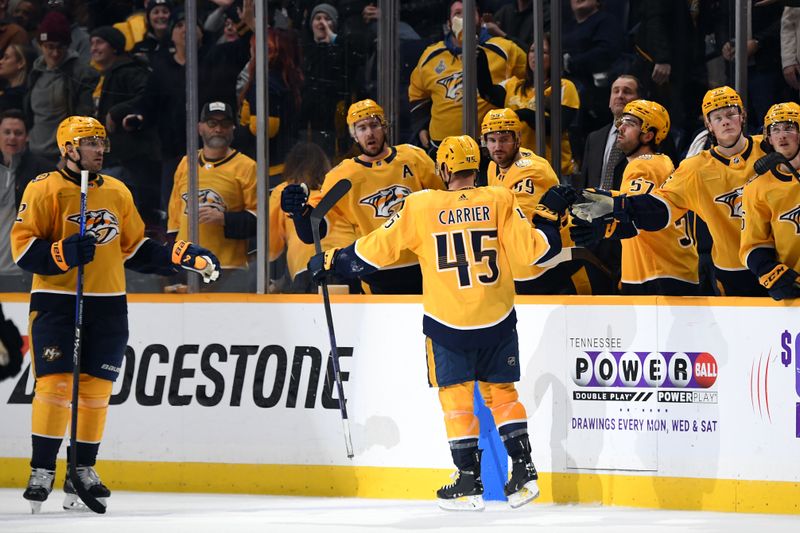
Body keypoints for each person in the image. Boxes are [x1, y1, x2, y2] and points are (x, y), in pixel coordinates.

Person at [307, 134, 575, 510]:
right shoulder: (499, 198)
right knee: (503, 395)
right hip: (497, 318)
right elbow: (536, 250)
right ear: (477, 166)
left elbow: (376, 251)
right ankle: (525, 471)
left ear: (444, 169)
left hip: (448, 322)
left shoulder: (421, 205)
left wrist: (331, 262)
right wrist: (548, 217)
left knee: (456, 401)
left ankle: (468, 479)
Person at [11, 115, 220, 513]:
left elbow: (135, 248)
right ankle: (42, 469)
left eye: (102, 144)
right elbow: (22, 250)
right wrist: (63, 253)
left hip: (108, 301)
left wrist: (180, 257)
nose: (100, 150)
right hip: (57, 300)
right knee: (55, 387)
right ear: (69, 149)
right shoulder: (44, 188)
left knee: (95, 392)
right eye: (91, 144)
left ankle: (84, 467)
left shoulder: (118, 191)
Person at [571, 86, 769, 297]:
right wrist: (615, 210)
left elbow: (644, 216)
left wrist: (609, 221)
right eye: (717, 117)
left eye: (731, 114)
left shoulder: (768, 148)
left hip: (660, 272)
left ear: (743, 116)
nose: (726, 121)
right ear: (708, 125)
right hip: (728, 269)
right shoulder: (692, 168)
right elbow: (658, 208)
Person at [281, 99, 442, 294]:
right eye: (362, 128)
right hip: (374, 274)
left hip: (423, 267)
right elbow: (313, 231)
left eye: (374, 125)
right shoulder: (342, 176)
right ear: (354, 135)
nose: (369, 133)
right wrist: (299, 212)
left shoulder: (414, 158)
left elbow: (444, 204)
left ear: (384, 127)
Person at [571, 100, 699, 295]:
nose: (620, 128)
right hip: (671, 271)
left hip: (657, 275)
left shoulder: (643, 165)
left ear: (648, 135)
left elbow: (634, 214)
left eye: (630, 123)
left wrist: (604, 228)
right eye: (621, 122)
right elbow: (632, 203)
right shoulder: (661, 163)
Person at [480, 107, 585, 294]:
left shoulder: (531, 172)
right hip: (525, 267)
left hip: (553, 268)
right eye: (492, 140)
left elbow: (523, 230)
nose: (497, 147)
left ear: (518, 139)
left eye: (504, 140)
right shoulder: (492, 166)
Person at [409, 0, 526, 155]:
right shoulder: (431, 55)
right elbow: (417, 93)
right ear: (449, 24)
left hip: (491, 150)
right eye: (457, 14)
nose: (464, 18)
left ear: (480, 19)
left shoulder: (505, 49)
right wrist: (421, 126)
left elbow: (533, 77)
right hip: (442, 150)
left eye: (469, 13)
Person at [168, 101, 257, 292]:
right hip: (187, 266)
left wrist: (224, 219)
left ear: (233, 128)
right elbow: (174, 222)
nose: (218, 129)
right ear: (200, 127)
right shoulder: (186, 163)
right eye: (211, 123)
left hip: (228, 269)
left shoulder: (247, 167)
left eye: (224, 124)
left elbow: (260, 221)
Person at [477, 32, 580, 177]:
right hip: (515, 169)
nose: (535, 55)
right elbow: (486, 92)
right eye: (532, 50)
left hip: (551, 171)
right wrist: (480, 59)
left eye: (542, 52)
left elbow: (556, 127)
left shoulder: (563, 87)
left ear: (554, 57)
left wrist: (523, 114)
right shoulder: (514, 85)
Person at [269, 142, 350, 293]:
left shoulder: (284, 192)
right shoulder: (336, 189)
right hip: (347, 260)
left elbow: (271, 246)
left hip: (307, 267)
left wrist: (274, 280)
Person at [740, 102, 800, 301]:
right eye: (775, 129)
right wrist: (770, 273)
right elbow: (753, 243)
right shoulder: (757, 187)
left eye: (789, 127)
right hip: (794, 286)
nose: (782, 135)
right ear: (768, 138)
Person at [25, 10, 98, 164]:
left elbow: (83, 116)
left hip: (62, 157)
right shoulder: (35, 72)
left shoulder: (81, 73)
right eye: (49, 47)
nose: (55, 53)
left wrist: (69, 156)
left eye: (60, 47)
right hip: (34, 152)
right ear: (40, 45)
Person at [0, 109, 51, 291]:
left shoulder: (44, 171)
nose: (11, 138)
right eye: (7, 132)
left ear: (27, 136)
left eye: (18, 133)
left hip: (23, 271)